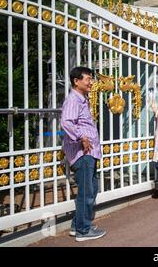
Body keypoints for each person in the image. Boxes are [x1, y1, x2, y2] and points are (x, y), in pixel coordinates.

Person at [61, 67, 106, 242]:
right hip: (82, 153)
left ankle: (77, 225)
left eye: (91, 79)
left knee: (91, 189)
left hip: (89, 153)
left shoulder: (81, 100)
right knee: (87, 192)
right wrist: (82, 137)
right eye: (88, 79)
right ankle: (82, 231)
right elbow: (66, 122)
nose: (91, 82)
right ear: (76, 81)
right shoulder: (73, 100)